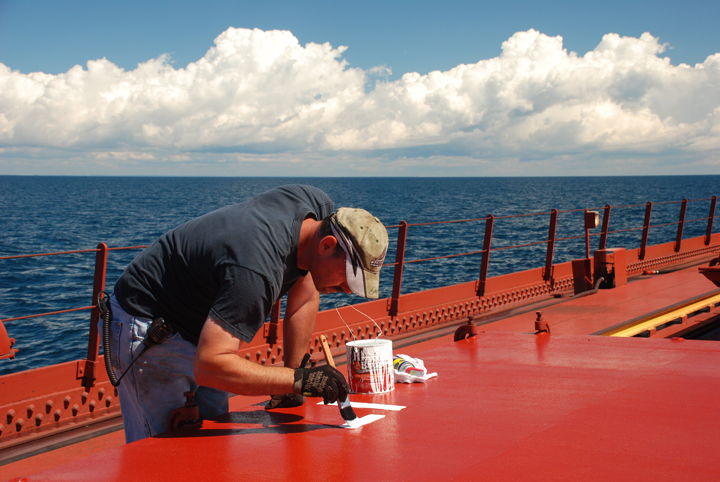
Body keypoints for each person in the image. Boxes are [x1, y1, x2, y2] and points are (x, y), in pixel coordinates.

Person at [102, 184, 389, 443]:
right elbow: (211, 366)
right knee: (162, 459)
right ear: (328, 246)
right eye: (349, 279)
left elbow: (305, 289)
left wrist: (296, 376)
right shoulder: (255, 270)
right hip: (150, 323)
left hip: (200, 326)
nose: (348, 290)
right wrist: (299, 379)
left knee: (208, 446)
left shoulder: (317, 213)